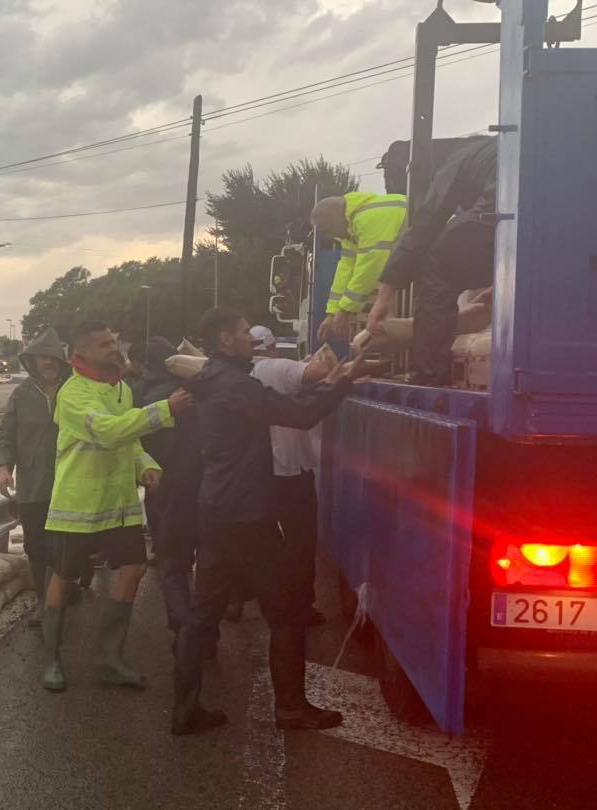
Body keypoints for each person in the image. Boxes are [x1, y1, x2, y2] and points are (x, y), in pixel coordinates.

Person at [172, 306, 367, 735]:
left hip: (217, 510)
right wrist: (346, 380)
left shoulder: (213, 380)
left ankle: (184, 710)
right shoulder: (233, 384)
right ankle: (292, 709)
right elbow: (298, 414)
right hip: (248, 515)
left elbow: (286, 403)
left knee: (202, 614)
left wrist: (332, 382)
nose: (251, 339)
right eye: (244, 333)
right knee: (287, 613)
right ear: (225, 340)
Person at [41, 321, 193, 693]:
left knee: (132, 568)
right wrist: (164, 409)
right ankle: (52, 660)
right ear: (81, 354)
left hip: (120, 504)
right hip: (77, 506)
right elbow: (108, 431)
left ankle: (111, 658)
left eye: (114, 341)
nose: (114, 348)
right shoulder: (73, 393)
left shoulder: (121, 388)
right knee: (63, 575)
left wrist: (147, 467)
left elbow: (129, 439)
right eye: (105, 344)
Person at [368, 136, 497, 385]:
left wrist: (384, 297)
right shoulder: (489, 149)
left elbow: (425, 225)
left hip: (502, 205)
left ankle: (429, 376)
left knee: (436, 264)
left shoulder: (454, 161)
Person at [249, 325, 332, 627]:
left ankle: (245, 598)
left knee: (258, 541)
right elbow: (322, 372)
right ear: (271, 347)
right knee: (300, 540)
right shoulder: (279, 367)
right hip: (292, 470)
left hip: (257, 474)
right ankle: (300, 606)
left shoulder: (240, 376)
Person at [136, 337, 213, 654]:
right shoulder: (199, 393)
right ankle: (208, 635)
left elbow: (134, 442)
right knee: (208, 563)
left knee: (173, 565)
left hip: (163, 491)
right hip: (206, 488)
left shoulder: (142, 397)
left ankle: (183, 630)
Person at [0, 327, 71, 627]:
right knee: (37, 547)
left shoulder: (75, 390)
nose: (47, 364)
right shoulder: (22, 395)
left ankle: (65, 594)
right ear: (32, 362)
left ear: (61, 361)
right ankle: (44, 601)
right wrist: (3, 468)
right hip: (35, 485)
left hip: (72, 483)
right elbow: (6, 436)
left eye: (52, 358)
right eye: (42, 359)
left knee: (66, 548)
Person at [311, 190, 408, 342]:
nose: (329, 236)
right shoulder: (350, 229)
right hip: (427, 252)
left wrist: (345, 310)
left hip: (444, 242)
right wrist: (332, 313)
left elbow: (369, 267)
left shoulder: (368, 219)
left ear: (337, 216)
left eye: (327, 230)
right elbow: (346, 269)